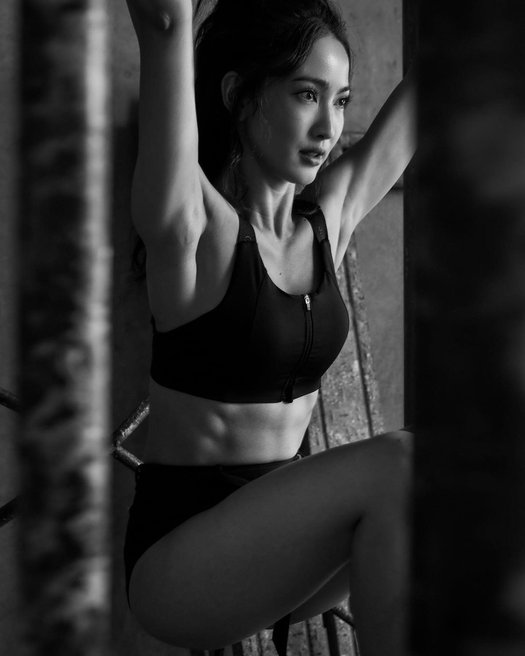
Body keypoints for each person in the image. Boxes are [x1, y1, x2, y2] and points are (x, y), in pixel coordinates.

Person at [123, 0, 416, 654]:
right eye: (306, 95)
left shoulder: (325, 225)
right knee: (403, 462)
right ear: (239, 94)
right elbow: (164, 24)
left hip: (281, 549)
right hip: (181, 566)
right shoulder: (194, 230)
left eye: (341, 101)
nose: (329, 127)